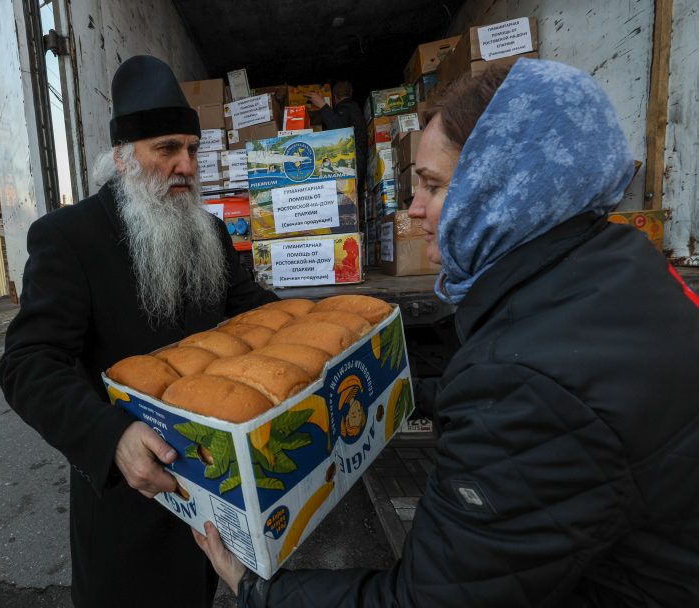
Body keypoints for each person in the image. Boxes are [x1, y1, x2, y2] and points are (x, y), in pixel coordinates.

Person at [193, 58, 699, 606]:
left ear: (503, 190)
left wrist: (253, 589)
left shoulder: (521, 384)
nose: (412, 210)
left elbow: (425, 600)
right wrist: (393, 394)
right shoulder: (618, 263)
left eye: (432, 186)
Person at [0, 55, 278, 608]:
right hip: (127, 502)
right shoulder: (69, 237)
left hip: (212, 499)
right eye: (167, 150)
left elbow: (256, 315)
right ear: (123, 159)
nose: (187, 166)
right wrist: (111, 438)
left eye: (192, 150)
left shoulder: (211, 232)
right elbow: (28, 362)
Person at [305, 81, 367, 187]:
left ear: (334, 97)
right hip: (355, 165)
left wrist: (322, 105)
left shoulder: (346, 107)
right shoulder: (353, 109)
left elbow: (340, 130)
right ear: (350, 94)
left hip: (351, 165)